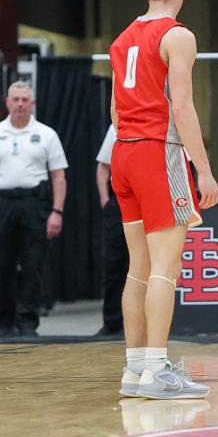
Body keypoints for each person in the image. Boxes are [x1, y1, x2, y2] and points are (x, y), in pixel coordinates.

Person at [110, 0, 218, 399]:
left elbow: (115, 111)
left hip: (123, 152)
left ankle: (135, 369)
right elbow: (183, 107)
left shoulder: (122, 39)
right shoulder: (178, 36)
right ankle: (156, 370)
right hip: (158, 151)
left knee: (138, 266)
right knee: (165, 267)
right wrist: (203, 169)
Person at [0, 81, 68, 338]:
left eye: (25, 99)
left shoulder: (47, 134)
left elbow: (58, 177)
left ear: (32, 103)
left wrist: (57, 212)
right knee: (0, 265)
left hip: (34, 204)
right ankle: (4, 323)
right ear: (7, 102)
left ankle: (27, 323)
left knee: (33, 265)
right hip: (1, 204)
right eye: (16, 99)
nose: (20, 104)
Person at [95, 124, 128, 336]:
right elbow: (103, 166)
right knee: (114, 262)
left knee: (153, 265)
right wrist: (105, 200)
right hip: (120, 201)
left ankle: (153, 326)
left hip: (153, 198)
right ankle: (112, 323)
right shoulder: (117, 124)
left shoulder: (168, 118)